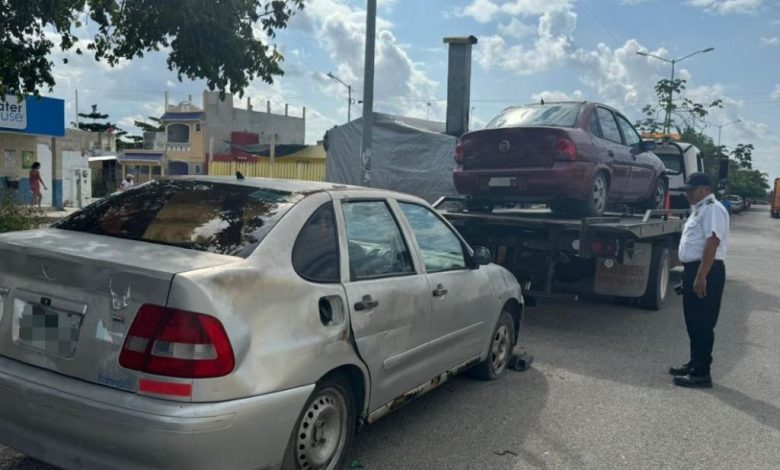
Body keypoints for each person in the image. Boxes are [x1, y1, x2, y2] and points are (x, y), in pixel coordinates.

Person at [670, 172, 730, 388]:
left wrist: (701, 276)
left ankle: (701, 373)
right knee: (693, 323)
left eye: (691, 190)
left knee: (703, 324)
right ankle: (695, 364)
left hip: (707, 270)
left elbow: (712, 243)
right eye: (686, 190)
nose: (687, 194)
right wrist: (689, 276)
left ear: (705, 189)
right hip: (696, 269)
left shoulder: (712, 209)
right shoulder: (699, 210)